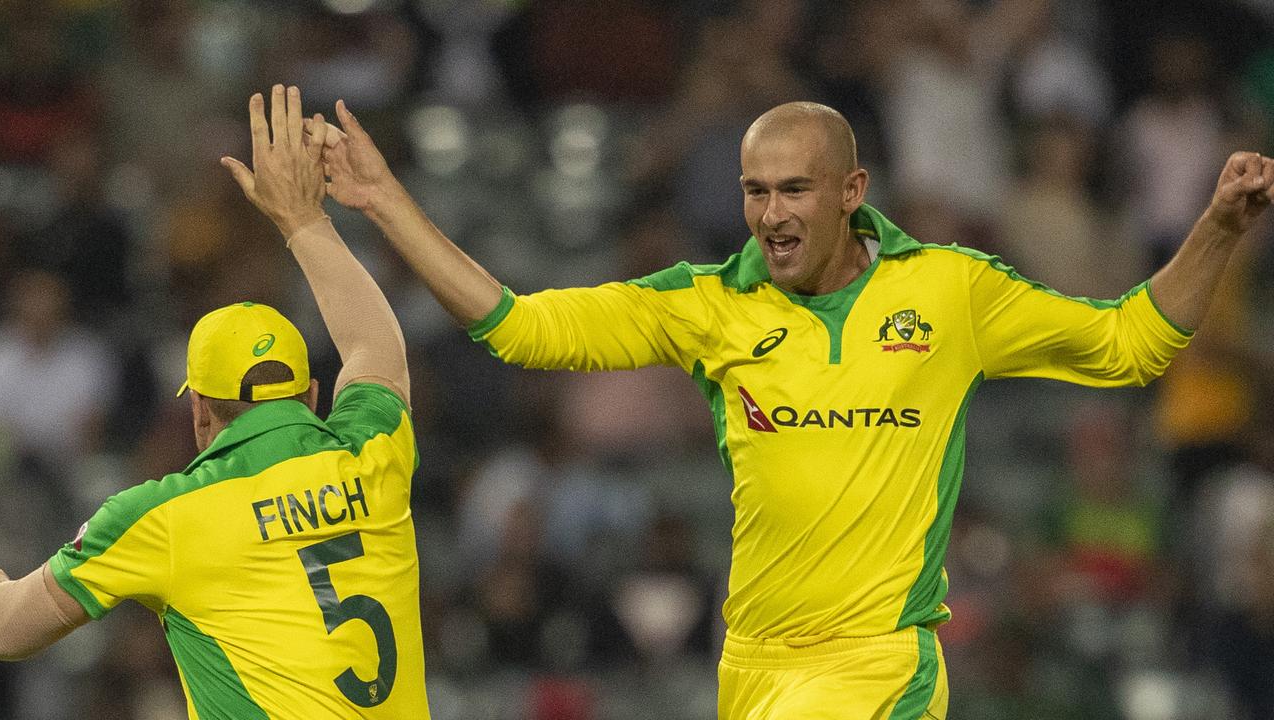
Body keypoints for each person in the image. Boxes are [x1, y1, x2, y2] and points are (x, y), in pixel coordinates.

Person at [315, 97, 1273, 718]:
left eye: (796, 190)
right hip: (753, 668)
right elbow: (519, 328)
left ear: (853, 192)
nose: (771, 214)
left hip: (879, 664)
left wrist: (1218, 229)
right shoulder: (710, 304)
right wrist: (386, 203)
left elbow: (1132, 344)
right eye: (755, 191)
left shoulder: (950, 292)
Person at [0, 85, 432, 719]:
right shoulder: (373, 452)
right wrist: (303, 220)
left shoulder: (164, 517)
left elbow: (8, 630)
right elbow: (375, 344)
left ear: (199, 409)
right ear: (310, 394)